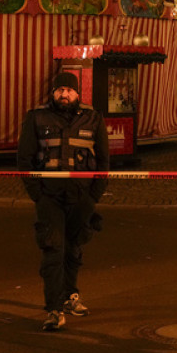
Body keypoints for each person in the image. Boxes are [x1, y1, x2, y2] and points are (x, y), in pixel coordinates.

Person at [16, 71, 109, 331]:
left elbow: (103, 161)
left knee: (74, 248)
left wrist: (93, 197)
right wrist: (38, 195)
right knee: (53, 250)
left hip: (81, 197)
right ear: (53, 93)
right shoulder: (37, 118)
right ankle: (54, 310)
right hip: (50, 197)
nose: (64, 94)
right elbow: (24, 159)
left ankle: (70, 296)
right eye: (59, 90)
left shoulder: (93, 118)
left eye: (68, 90)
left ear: (77, 93)